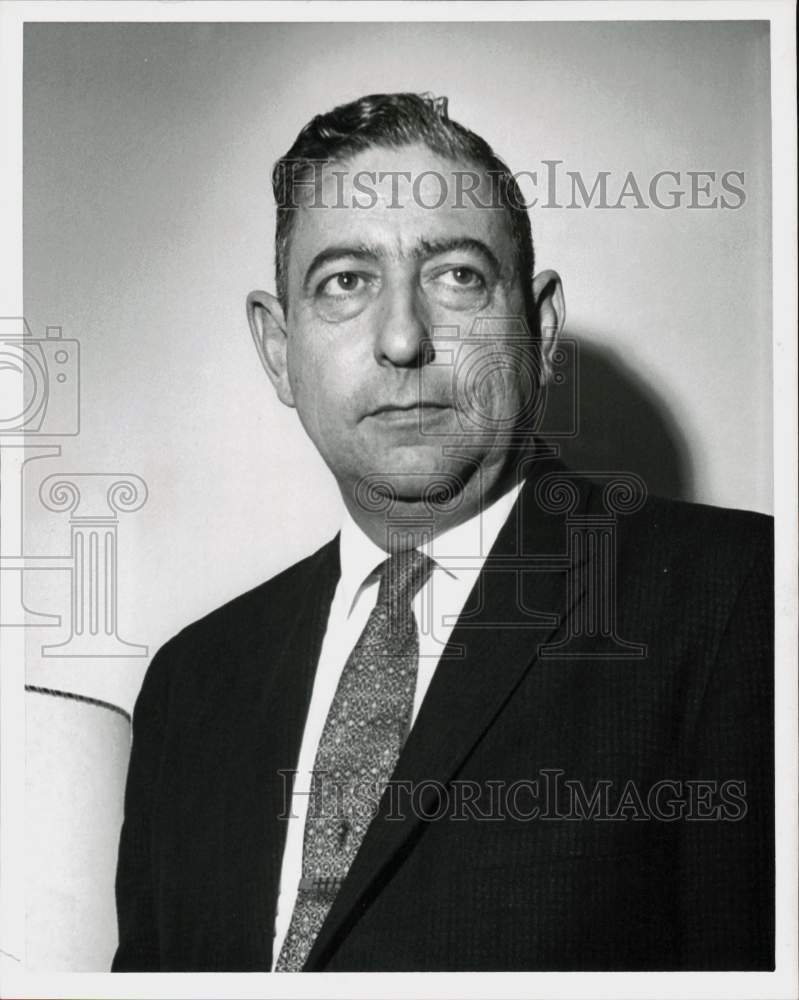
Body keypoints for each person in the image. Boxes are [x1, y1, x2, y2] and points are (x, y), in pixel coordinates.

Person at [112, 92, 773, 972]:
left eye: (456, 276)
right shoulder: (192, 683)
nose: (401, 338)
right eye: (345, 281)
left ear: (535, 329)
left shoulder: (743, 599)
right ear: (279, 350)